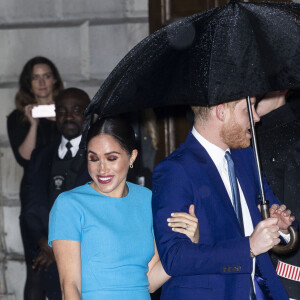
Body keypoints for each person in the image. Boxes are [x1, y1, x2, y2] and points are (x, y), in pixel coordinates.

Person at [152, 97, 295, 300]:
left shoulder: (246, 156)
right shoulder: (175, 170)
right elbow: (174, 257)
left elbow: (275, 213)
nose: (256, 117)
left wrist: (280, 226)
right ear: (221, 112)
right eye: (248, 109)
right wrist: (249, 247)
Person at [48, 117, 199, 299]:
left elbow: (150, 280)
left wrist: (187, 244)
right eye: (93, 158)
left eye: (111, 158)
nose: (101, 169)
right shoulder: (69, 204)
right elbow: (70, 287)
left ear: (132, 157)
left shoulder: (147, 198)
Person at [21, 87, 91, 299]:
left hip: (85, 258)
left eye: (76, 110)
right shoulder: (41, 155)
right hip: (45, 254)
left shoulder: (98, 155)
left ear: (88, 114)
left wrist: (61, 247)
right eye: (62, 110)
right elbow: (31, 205)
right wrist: (46, 243)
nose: (68, 116)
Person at [6, 56, 63, 300]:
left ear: (55, 80)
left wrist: (58, 119)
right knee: (37, 269)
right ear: (28, 83)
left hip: (63, 194)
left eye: (47, 76)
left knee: (66, 267)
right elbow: (24, 158)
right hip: (35, 201)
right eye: (35, 77)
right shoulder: (17, 118)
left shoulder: (67, 112)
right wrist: (33, 124)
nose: (41, 82)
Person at [256, 90, 300, 300]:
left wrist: (291, 285)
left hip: (284, 275)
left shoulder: (290, 140)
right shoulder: (253, 136)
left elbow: (293, 213)